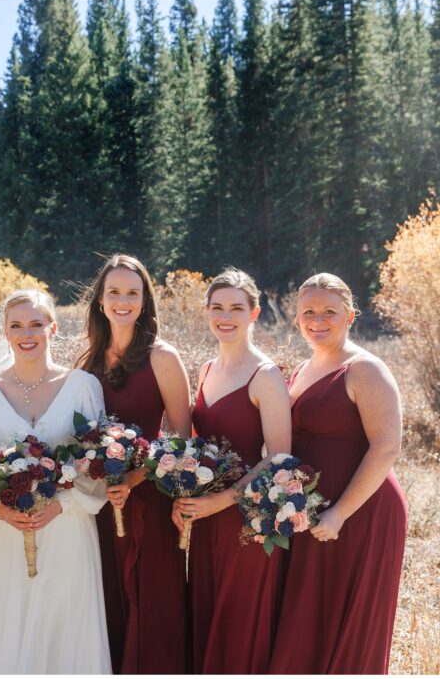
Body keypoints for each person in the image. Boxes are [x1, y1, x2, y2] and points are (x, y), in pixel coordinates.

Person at [0, 289, 111, 674]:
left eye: (35, 324)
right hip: (5, 531)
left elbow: (96, 465)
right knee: (2, 628)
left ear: (52, 327)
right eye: (16, 325)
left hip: (68, 527)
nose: (26, 333)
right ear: (5, 332)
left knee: (64, 629)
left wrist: (60, 505)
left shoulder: (83, 386)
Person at [269, 273, 407, 674]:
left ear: (349, 315)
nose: (318, 319)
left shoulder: (365, 368)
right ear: (296, 320)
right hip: (311, 511)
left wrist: (340, 512)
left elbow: (387, 447)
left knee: (348, 624)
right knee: (311, 618)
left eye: (329, 311)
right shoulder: (299, 370)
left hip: (360, 512)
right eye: (308, 312)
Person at [76, 254, 192, 673]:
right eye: (114, 292)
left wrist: (137, 475)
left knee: (154, 600)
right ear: (100, 301)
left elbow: (181, 437)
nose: (123, 301)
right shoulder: (86, 362)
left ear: (144, 301)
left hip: (150, 497)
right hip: (99, 502)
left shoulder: (163, 357)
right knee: (107, 596)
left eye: (133, 292)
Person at [172, 267, 290, 673]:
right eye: (217, 307)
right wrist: (182, 497)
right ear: (206, 311)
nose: (226, 316)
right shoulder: (205, 369)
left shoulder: (266, 375)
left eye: (236, 308)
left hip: (245, 517)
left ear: (254, 314)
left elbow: (279, 458)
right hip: (203, 518)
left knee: (240, 620)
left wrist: (220, 502)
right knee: (206, 610)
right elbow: (192, 441)